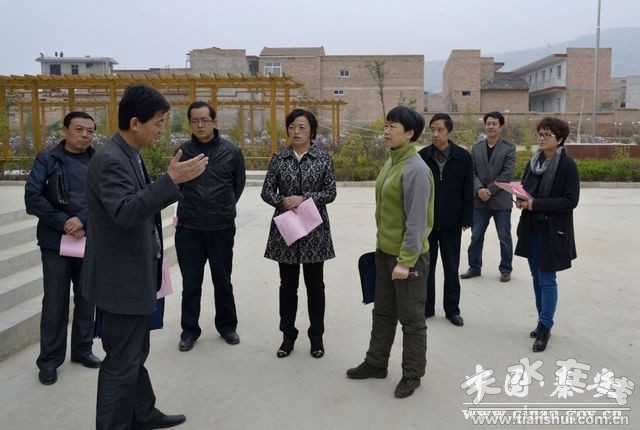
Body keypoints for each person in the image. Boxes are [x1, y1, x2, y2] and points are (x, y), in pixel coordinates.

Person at [82, 84, 208, 430]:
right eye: (159, 122)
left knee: (135, 354)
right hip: (119, 281)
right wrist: (170, 181)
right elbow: (125, 212)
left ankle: (142, 413)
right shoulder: (111, 160)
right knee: (121, 361)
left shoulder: (130, 153)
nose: (162, 129)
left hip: (135, 275)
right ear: (135, 123)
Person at [347, 106, 434, 399]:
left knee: (411, 319)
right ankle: (376, 363)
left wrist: (406, 261)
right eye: (386, 125)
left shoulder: (416, 170)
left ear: (410, 134)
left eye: (393, 126)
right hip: (384, 253)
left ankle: (412, 374)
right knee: (382, 313)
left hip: (408, 259)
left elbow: (417, 221)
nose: (386, 131)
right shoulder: (392, 161)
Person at [24, 111, 101, 385]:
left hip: (89, 239)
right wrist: (64, 222)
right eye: (79, 129)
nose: (85, 135)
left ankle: (82, 349)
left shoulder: (98, 161)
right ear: (65, 131)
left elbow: (106, 197)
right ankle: (49, 361)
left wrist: (82, 220)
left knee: (87, 298)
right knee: (55, 301)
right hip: (55, 242)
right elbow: (33, 197)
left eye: (90, 131)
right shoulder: (47, 159)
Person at [261, 108, 336, 359]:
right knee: (287, 286)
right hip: (287, 229)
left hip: (314, 230)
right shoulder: (279, 159)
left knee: (315, 286)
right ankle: (287, 337)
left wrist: (305, 198)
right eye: (292, 127)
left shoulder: (323, 159)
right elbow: (266, 191)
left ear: (312, 131)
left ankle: (317, 338)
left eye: (302, 127)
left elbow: (331, 193)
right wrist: (283, 201)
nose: (296, 131)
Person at [176, 101, 246, 352]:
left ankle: (227, 326)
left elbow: (238, 185)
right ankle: (189, 331)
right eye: (195, 121)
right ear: (190, 124)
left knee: (223, 280)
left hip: (220, 228)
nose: (200, 125)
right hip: (190, 228)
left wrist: (223, 207)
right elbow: (176, 184)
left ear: (214, 122)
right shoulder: (183, 152)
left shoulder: (231, 151)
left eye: (204, 120)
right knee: (190, 283)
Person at [514, 117, 579, 352]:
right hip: (531, 227)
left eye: (547, 135)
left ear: (559, 140)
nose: (541, 139)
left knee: (547, 279)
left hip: (552, 231)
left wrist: (535, 204)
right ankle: (542, 319)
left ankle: (545, 326)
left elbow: (570, 201)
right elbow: (525, 188)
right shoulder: (534, 162)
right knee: (536, 277)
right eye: (540, 134)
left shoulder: (566, 165)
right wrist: (521, 199)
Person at [418, 113, 473, 326]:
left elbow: (468, 189)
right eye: (432, 130)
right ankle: (427, 307)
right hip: (428, 223)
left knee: (451, 268)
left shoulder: (463, 157)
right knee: (427, 268)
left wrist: (466, 218)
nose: (435, 134)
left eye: (440, 130)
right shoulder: (422, 157)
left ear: (449, 132)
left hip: (452, 222)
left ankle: (452, 310)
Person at [461, 111, 516, 282]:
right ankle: (474, 267)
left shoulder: (509, 148)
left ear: (501, 127)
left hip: (501, 202)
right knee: (476, 236)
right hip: (479, 201)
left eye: (494, 124)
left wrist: (489, 190)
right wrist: (479, 189)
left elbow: (507, 174)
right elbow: (471, 172)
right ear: (485, 125)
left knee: (504, 237)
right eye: (488, 123)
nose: (491, 127)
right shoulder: (476, 148)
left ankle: (505, 269)